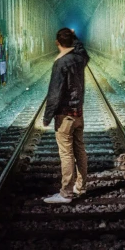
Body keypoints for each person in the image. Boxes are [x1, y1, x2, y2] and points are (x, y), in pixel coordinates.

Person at [42, 28, 90, 204]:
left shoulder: (61, 63)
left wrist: (47, 116)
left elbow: (55, 93)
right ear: (71, 41)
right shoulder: (80, 59)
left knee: (66, 153)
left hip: (65, 116)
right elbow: (83, 51)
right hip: (78, 113)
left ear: (57, 43)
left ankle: (66, 193)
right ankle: (81, 186)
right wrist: (75, 37)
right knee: (80, 149)